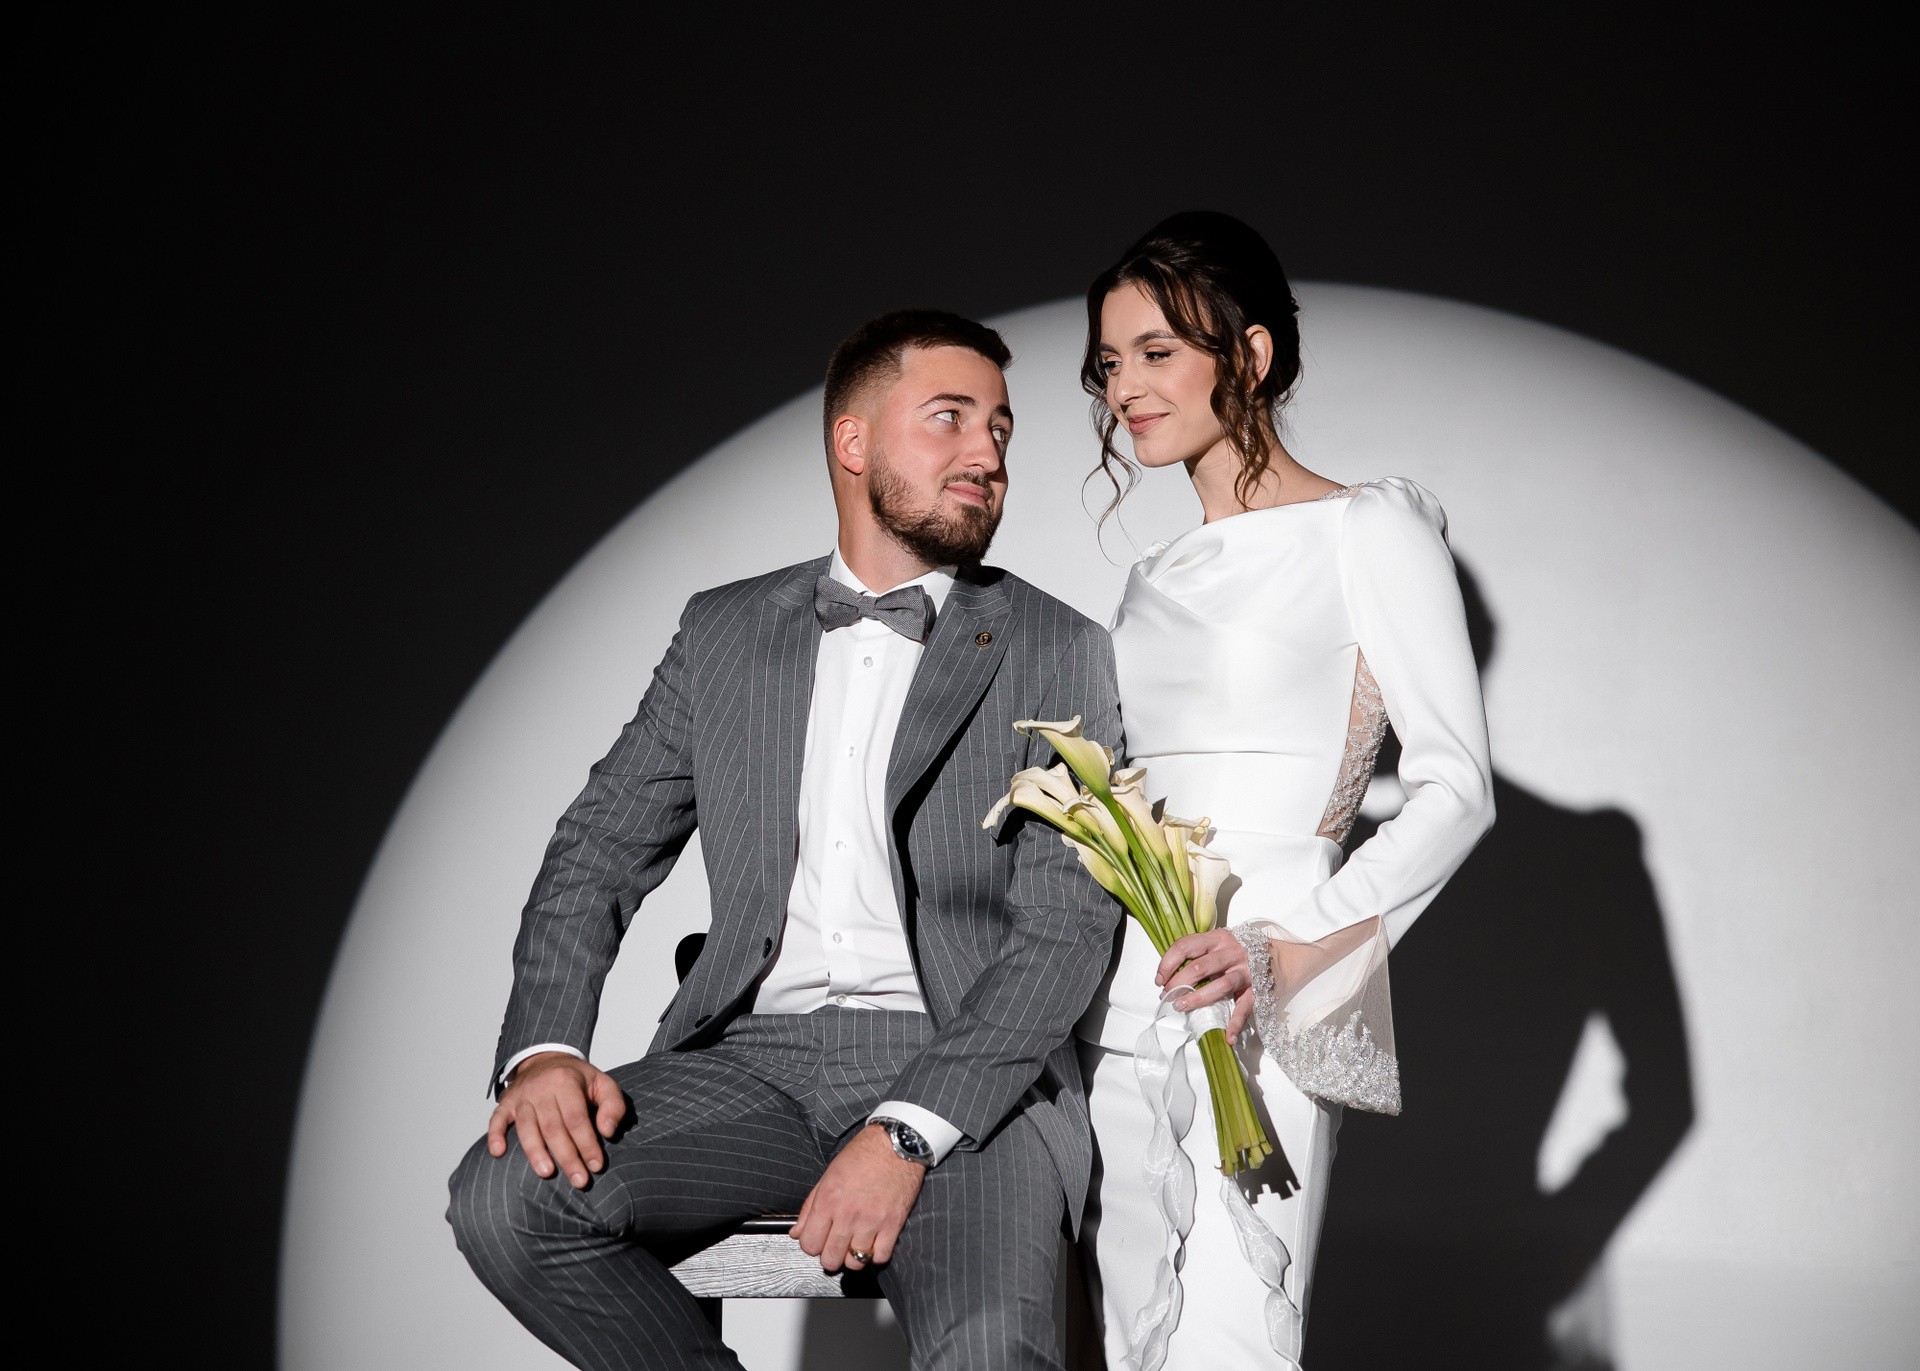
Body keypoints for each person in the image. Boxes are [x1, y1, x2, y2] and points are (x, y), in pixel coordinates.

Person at [447, 309, 1125, 1371]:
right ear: (853, 441)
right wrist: (544, 1051)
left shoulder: (1057, 644)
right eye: (949, 418)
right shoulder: (722, 632)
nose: (987, 455)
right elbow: (598, 848)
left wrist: (908, 1128)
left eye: (999, 429)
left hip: (964, 1067)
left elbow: (1064, 933)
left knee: (991, 1348)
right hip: (751, 1066)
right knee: (507, 1198)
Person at [1072, 213, 1495, 1370]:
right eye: (1109, 362)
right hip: (1128, 993)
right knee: (1131, 1340)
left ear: (1250, 355)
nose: (1125, 388)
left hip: (1275, 978)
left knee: (1233, 1337)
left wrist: (1277, 951)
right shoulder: (1148, 575)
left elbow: (1457, 788)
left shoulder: (1368, 529)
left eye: (1157, 352)